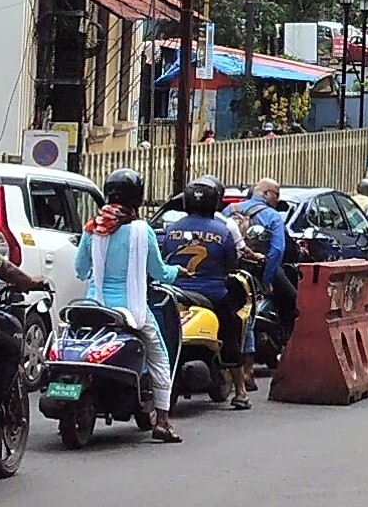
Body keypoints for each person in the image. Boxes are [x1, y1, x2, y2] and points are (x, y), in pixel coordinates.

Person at [75, 169, 183, 442]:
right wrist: (177, 271)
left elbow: (80, 269)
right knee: (159, 356)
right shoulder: (141, 230)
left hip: (93, 306)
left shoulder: (93, 228)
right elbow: (160, 272)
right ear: (138, 197)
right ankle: (163, 422)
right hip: (130, 310)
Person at [164, 178, 251, 409]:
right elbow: (232, 265)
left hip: (175, 294)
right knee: (230, 331)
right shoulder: (222, 232)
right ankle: (241, 392)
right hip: (212, 296)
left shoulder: (172, 230)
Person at [224, 179, 291, 384]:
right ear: (265, 193)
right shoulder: (272, 216)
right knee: (291, 299)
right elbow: (277, 250)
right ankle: (287, 346)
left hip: (230, 271)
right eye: (276, 194)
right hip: (257, 270)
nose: (277, 199)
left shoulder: (229, 210)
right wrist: (267, 280)